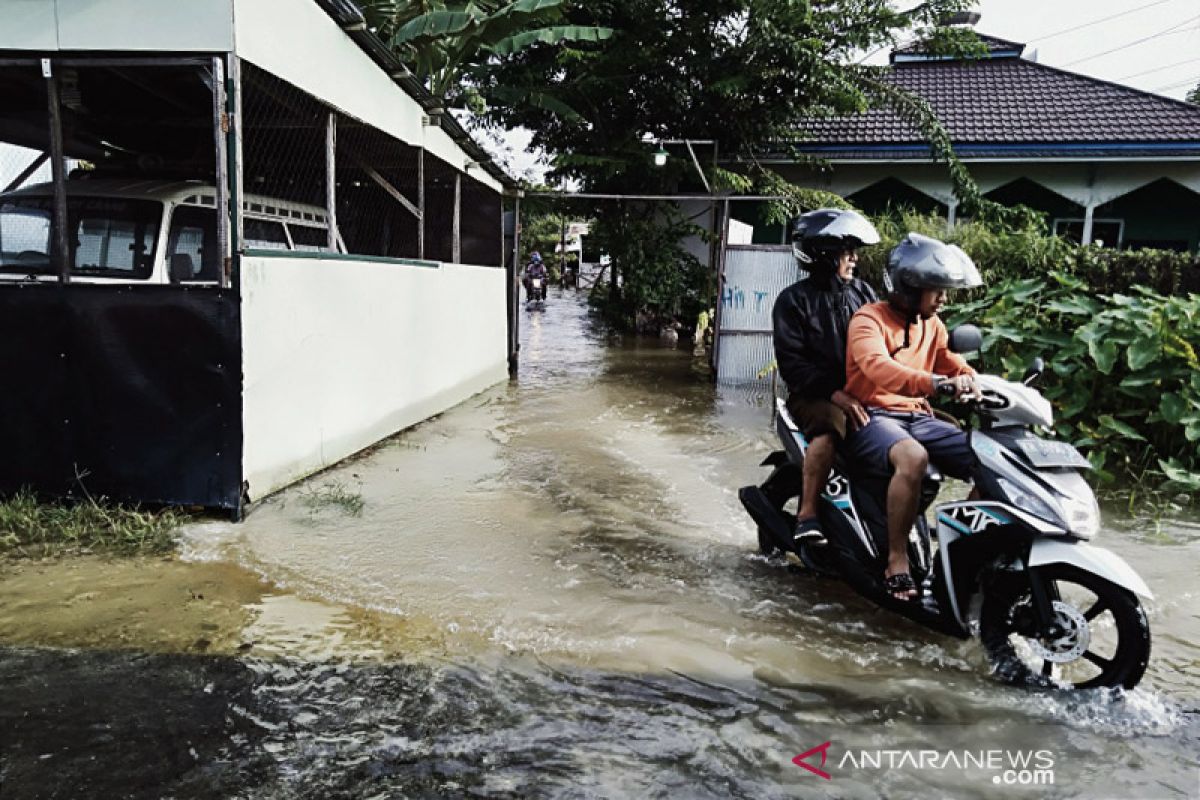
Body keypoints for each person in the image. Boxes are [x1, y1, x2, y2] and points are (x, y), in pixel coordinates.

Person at [842, 232, 983, 601]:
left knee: (989, 459)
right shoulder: (867, 320)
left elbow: (951, 362)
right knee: (913, 457)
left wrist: (968, 377)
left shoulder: (932, 325)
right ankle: (897, 557)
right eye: (936, 290)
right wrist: (936, 384)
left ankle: (963, 556)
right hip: (872, 416)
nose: (943, 298)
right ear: (909, 286)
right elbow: (877, 367)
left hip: (917, 416)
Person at [771, 208, 881, 552]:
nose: (854, 258)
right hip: (813, 396)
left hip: (861, 392)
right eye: (846, 251)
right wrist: (837, 395)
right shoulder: (793, 301)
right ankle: (807, 516)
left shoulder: (865, 294)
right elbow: (794, 366)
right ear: (823, 255)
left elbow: (885, 345)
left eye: (853, 251)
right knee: (830, 425)